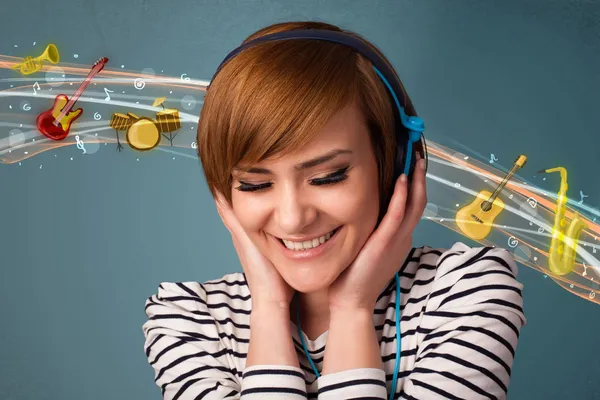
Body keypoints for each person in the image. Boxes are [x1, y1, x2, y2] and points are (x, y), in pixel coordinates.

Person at [142, 20, 525, 399]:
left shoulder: (468, 291)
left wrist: (352, 310)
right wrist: (269, 309)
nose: (293, 218)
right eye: (255, 185)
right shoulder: (188, 320)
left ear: (395, 164)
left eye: (328, 176)